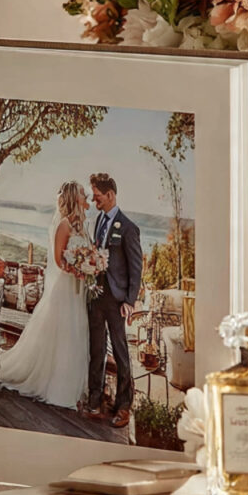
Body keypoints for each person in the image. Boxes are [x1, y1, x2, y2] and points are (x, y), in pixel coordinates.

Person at [0, 181, 90, 409]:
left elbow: (84, 253)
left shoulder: (81, 225)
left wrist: (89, 265)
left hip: (78, 291)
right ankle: (57, 386)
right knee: (62, 334)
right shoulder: (64, 225)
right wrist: (77, 270)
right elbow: (58, 260)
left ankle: (74, 386)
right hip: (65, 289)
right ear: (74, 197)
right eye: (82, 193)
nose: (86, 196)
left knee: (76, 332)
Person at [83, 172, 142, 429]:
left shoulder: (129, 228)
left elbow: (136, 268)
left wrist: (130, 300)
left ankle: (124, 406)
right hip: (96, 297)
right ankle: (95, 400)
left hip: (117, 301)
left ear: (110, 195)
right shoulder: (98, 221)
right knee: (96, 349)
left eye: (97, 196)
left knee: (120, 353)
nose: (94, 200)